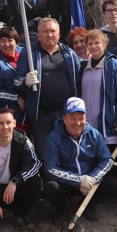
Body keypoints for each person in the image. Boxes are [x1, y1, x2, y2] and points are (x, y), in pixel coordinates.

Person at [42, 97, 117, 222]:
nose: (77, 123)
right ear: (64, 118)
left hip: (90, 182)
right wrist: (79, 180)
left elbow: (107, 160)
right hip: (66, 183)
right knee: (50, 187)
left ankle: (87, 205)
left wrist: (93, 178)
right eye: (72, 118)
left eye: (81, 118)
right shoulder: (53, 138)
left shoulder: (94, 134)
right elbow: (50, 169)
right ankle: (63, 210)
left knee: (113, 185)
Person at [17, 17, 81, 152]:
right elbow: (16, 82)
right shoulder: (28, 53)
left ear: (59, 34)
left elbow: (78, 83)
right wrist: (25, 82)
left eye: (53, 31)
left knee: (69, 151)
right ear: (39, 35)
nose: (50, 34)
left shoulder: (70, 54)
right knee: (45, 153)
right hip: (41, 116)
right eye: (45, 31)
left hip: (67, 113)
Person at [0, 108, 42, 227]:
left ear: (14, 123)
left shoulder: (23, 141)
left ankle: (21, 215)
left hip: (14, 189)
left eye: (8, 122)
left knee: (35, 181)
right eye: (0, 123)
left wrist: (15, 181)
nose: (5, 127)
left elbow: (34, 164)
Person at [78, 29, 117, 148]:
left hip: (107, 121)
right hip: (86, 121)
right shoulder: (83, 66)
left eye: (97, 43)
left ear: (105, 45)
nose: (93, 46)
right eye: (90, 43)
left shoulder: (114, 66)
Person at [0, 27, 27, 126]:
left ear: (16, 42)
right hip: (10, 115)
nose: (7, 44)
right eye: (3, 41)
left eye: (10, 40)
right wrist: (15, 98)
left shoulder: (25, 55)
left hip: (29, 112)